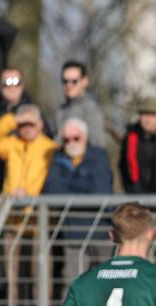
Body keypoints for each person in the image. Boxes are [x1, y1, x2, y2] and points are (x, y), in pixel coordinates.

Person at [0, 104, 59, 306]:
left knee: (39, 278)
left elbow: (53, 182)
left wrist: (29, 194)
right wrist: (12, 119)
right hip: (12, 222)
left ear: (41, 125)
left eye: (31, 124)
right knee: (14, 281)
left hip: (39, 223)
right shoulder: (11, 145)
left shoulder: (50, 149)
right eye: (23, 125)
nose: (26, 128)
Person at [42, 118, 114, 292]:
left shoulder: (99, 157)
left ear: (86, 137)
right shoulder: (58, 158)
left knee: (105, 286)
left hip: (100, 232)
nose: (71, 143)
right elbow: (52, 190)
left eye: (76, 138)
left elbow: (100, 192)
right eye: (66, 139)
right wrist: (83, 186)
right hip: (73, 233)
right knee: (72, 285)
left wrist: (70, 187)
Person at [55, 61, 106, 148]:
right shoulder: (60, 110)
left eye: (74, 81)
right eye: (65, 81)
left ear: (84, 81)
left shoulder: (91, 109)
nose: (69, 85)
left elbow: (97, 146)